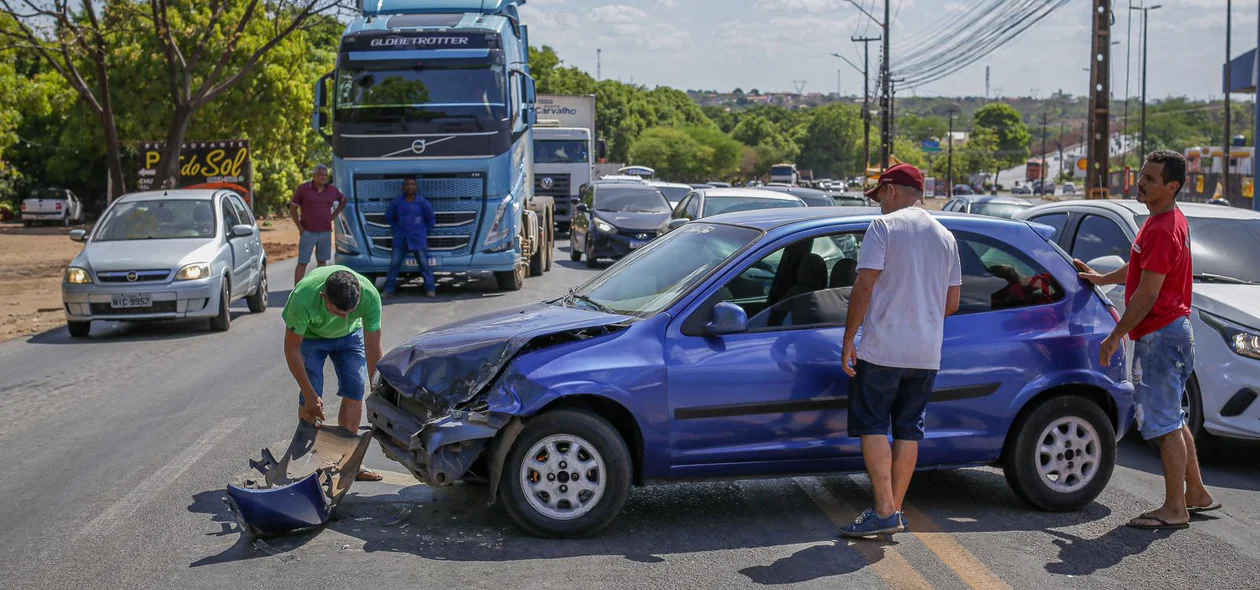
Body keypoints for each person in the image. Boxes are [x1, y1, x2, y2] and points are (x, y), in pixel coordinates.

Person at [1075, 150, 1217, 530]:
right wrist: (1102, 279)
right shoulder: (1161, 222)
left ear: (1171, 187)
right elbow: (1141, 267)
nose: (1141, 182)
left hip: (1160, 336)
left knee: (1165, 423)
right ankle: (1196, 493)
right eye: (1142, 175)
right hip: (1173, 333)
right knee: (1174, 416)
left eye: (1150, 179)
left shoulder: (1163, 227)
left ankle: (1174, 509)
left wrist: (1115, 335)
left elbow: (1147, 295)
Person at [838, 163, 962, 538]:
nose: (878, 205)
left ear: (891, 189)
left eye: (878, 196)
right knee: (909, 429)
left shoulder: (884, 228)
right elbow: (952, 302)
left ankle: (884, 509)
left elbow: (863, 287)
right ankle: (895, 509)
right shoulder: (945, 236)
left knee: (873, 423)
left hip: (882, 349)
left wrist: (848, 340)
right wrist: (920, 315)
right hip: (926, 353)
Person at [282, 266, 384, 481]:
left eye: (350, 312)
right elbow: (292, 349)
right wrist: (309, 395)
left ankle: (347, 460)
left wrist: (378, 388)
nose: (345, 317)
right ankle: (304, 463)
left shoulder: (369, 295)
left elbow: (373, 346)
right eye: (337, 312)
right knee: (312, 392)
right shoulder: (303, 298)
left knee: (356, 387)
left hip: (350, 337)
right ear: (323, 297)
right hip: (311, 337)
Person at [290, 165, 346, 284]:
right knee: (302, 262)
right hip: (308, 231)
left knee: (322, 262)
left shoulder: (332, 190)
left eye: (325, 175)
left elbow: (343, 200)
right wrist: (300, 228)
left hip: (325, 232)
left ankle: (320, 289)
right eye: (321, 174)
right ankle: (296, 290)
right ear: (314, 176)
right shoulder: (303, 189)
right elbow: (293, 208)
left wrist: (334, 214)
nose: (323, 177)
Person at [383, 176, 437, 298]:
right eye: (407, 184)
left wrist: (422, 230)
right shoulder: (397, 202)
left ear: (416, 187)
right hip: (400, 238)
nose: (410, 186)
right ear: (404, 187)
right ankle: (389, 289)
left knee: (424, 264)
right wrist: (397, 229)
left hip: (417, 239)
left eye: (413, 184)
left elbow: (431, 219)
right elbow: (389, 217)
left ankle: (430, 288)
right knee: (394, 264)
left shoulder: (422, 202)